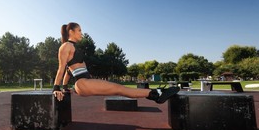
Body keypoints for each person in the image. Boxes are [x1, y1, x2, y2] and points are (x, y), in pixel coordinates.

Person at [52, 22, 180, 103]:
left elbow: (69, 70)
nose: (81, 33)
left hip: (83, 84)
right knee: (120, 89)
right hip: (83, 83)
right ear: (71, 32)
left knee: (120, 90)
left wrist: (65, 87)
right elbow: (61, 68)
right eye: (79, 30)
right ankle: (157, 93)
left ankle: (156, 93)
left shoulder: (73, 48)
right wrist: (56, 88)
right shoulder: (65, 46)